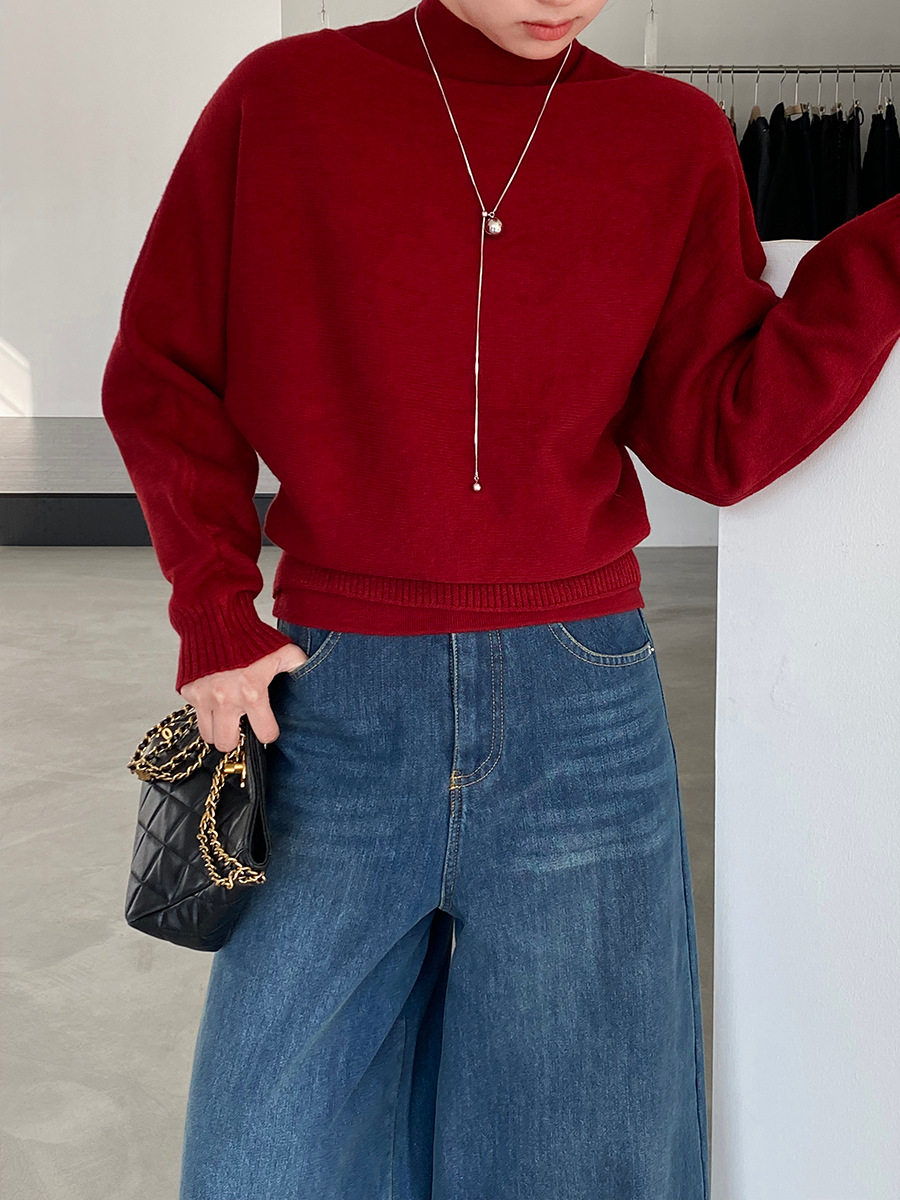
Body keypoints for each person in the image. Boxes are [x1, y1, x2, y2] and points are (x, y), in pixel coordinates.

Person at [100, 2, 900, 1197]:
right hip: (333, 698)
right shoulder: (283, 101)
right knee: (268, 1152)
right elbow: (163, 371)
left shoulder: (671, 136)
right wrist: (215, 609)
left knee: (582, 1149)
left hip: (582, 707)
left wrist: (882, 255)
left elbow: (718, 432)